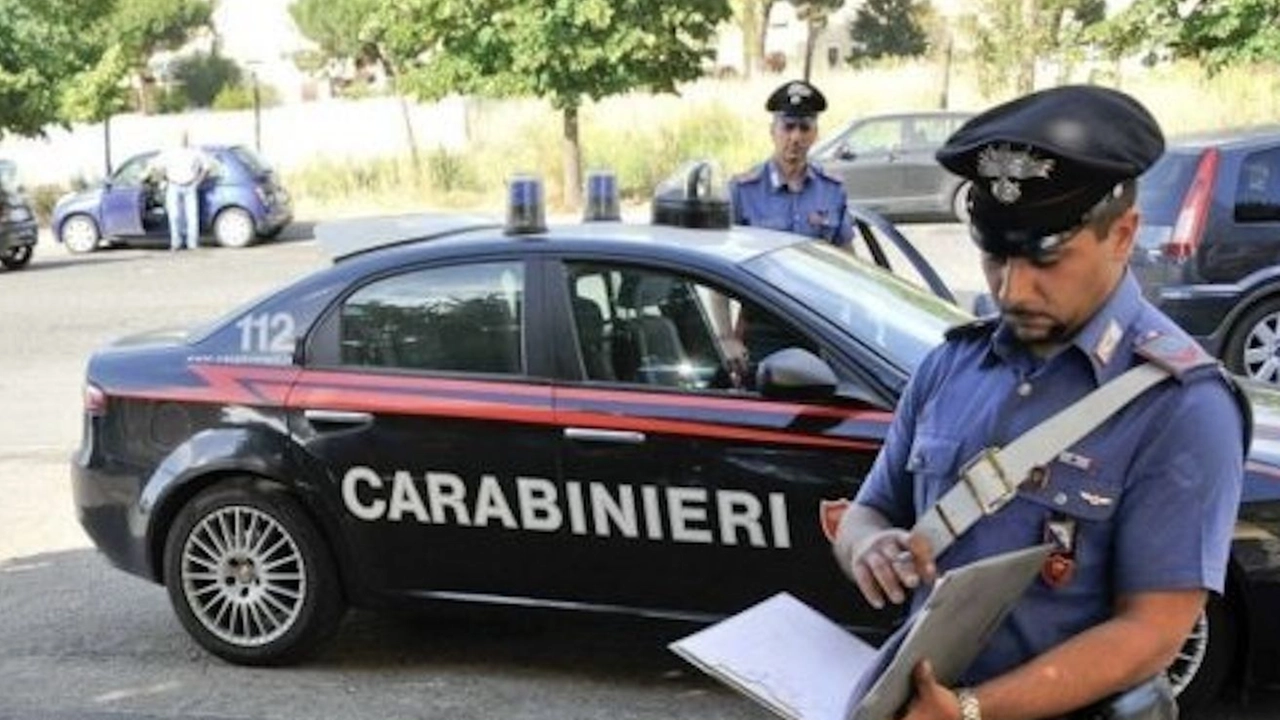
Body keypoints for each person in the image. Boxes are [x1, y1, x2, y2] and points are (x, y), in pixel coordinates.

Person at [831, 85, 1247, 720]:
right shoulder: (952, 365)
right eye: (995, 256)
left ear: (1123, 234)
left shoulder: (1181, 405)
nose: (1012, 287)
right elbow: (869, 510)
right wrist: (869, 547)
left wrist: (972, 710)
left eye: (1045, 257)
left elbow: (1152, 633)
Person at [729, 79, 853, 246]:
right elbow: (727, 255)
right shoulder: (744, 192)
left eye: (804, 128)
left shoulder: (832, 190)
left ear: (815, 134)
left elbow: (844, 256)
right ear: (772, 131)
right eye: (788, 127)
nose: (796, 137)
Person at [149, 132, 208, 251]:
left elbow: (206, 167)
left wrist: (198, 182)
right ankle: (176, 243)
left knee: (192, 216)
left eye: (185, 137)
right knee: (174, 216)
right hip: (174, 185)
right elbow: (155, 166)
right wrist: (163, 178)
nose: (183, 140)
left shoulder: (195, 151)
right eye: (181, 137)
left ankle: (192, 244)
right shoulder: (170, 152)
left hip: (190, 185)